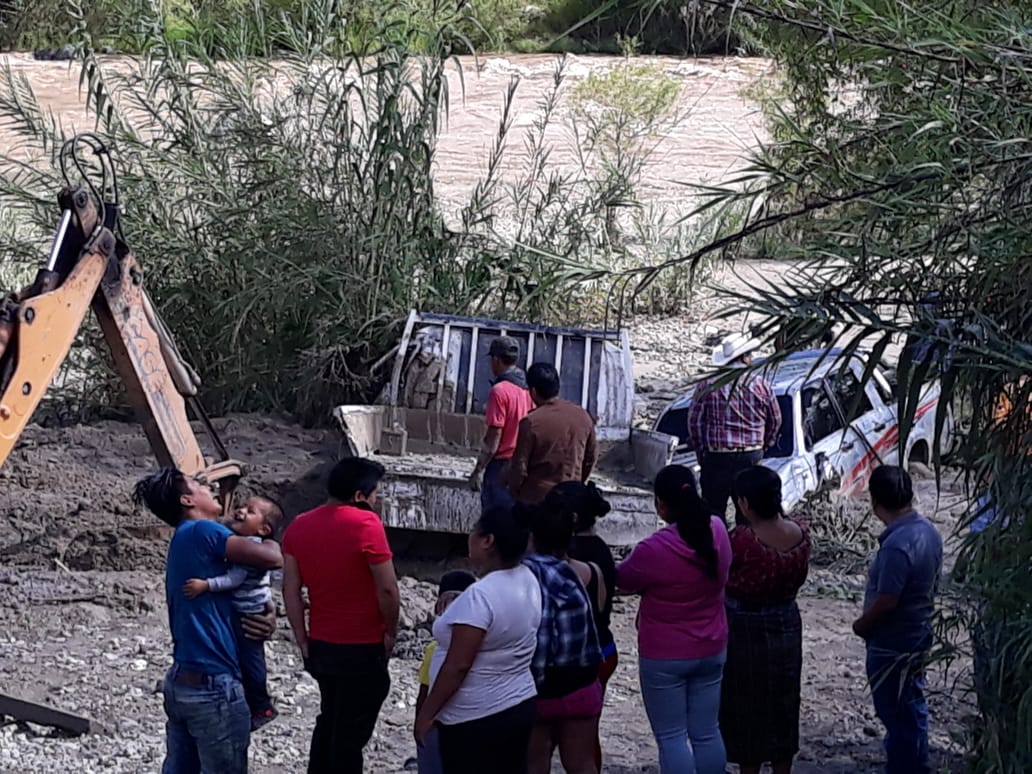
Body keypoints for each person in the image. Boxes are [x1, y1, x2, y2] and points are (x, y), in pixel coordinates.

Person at [133, 468, 282, 774]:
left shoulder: (187, 537)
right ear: (188, 499)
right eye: (198, 485)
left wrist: (267, 613)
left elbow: (240, 591)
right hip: (213, 688)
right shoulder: (203, 531)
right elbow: (270, 559)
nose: (209, 485)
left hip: (185, 680)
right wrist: (272, 543)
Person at [282, 457, 401, 774]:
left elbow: (290, 591)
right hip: (362, 646)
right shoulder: (366, 524)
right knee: (349, 736)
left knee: (330, 718)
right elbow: (387, 588)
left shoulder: (298, 526)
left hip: (322, 644)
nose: (377, 500)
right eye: (375, 493)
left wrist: (302, 640)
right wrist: (390, 631)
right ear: (360, 496)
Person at [616, 465, 732, 774]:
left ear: (661, 505)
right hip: (712, 647)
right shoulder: (718, 529)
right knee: (707, 732)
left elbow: (622, 582)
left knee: (671, 738)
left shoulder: (652, 549)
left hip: (664, 656)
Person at [414, 506, 542, 774]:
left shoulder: (480, 596)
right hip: (518, 703)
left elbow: (457, 665)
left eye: (474, 530)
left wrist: (427, 714)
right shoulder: (527, 578)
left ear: (488, 541)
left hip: (475, 718)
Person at [719, 466, 811, 774]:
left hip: (745, 628)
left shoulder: (741, 540)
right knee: (784, 700)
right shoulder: (800, 533)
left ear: (744, 503)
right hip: (787, 623)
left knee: (747, 703)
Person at [852, 465, 943, 774]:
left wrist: (861, 625)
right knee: (910, 704)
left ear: (875, 501)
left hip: (892, 640)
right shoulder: (926, 531)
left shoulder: (896, 545)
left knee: (894, 709)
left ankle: (906, 766)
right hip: (917, 631)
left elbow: (888, 600)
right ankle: (915, 763)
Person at [183, 495, 285, 731]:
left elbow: (234, 578)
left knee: (249, 660)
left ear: (263, 528)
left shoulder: (248, 548)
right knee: (248, 659)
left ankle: (260, 706)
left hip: (247, 615)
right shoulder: (248, 542)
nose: (239, 512)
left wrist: (206, 584)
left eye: (249, 511)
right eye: (241, 507)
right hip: (251, 609)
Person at [521, 499, 605, 774]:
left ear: (531, 537)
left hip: (543, 690)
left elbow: (542, 640)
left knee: (534, 763)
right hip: (582, 684)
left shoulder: (530, 573)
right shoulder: (575, 572)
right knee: (582, 764)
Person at [548, 481, 617, 772]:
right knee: (586, 740)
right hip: (604, 648)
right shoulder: (602, 550)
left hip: (574, 658)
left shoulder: (565, 555)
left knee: (544, 742)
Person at [685, 333, 781, 525]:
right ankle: (743, 550)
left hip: (717, 457)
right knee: (749, 513)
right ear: (744, 357)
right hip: (750, 454)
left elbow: (694, 422)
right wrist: (765, 444)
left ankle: (717, 549)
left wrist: (700, 449)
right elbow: (776, 419)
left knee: (713, 512)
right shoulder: (761, 385)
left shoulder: (708, 385)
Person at [414, 570, 478, 774]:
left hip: (439, 722)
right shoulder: (480, 646)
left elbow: (424, 692)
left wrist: (420, 720)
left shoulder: (435, 650)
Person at [509, 362, 597, 504]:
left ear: (533, 392)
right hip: (572, 501)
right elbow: (590, 458)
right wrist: (576, 484)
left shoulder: (531, 422)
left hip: (537, 501)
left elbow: (520, 467)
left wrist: (514, 491)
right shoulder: (583, 416)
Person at [469, 336, 533, 509]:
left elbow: (493, 439)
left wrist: (478, 470)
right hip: (522, 465)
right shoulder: (529, 389)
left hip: (500, 466)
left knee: (493, 522)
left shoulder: (499, 391)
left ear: (496, 360)